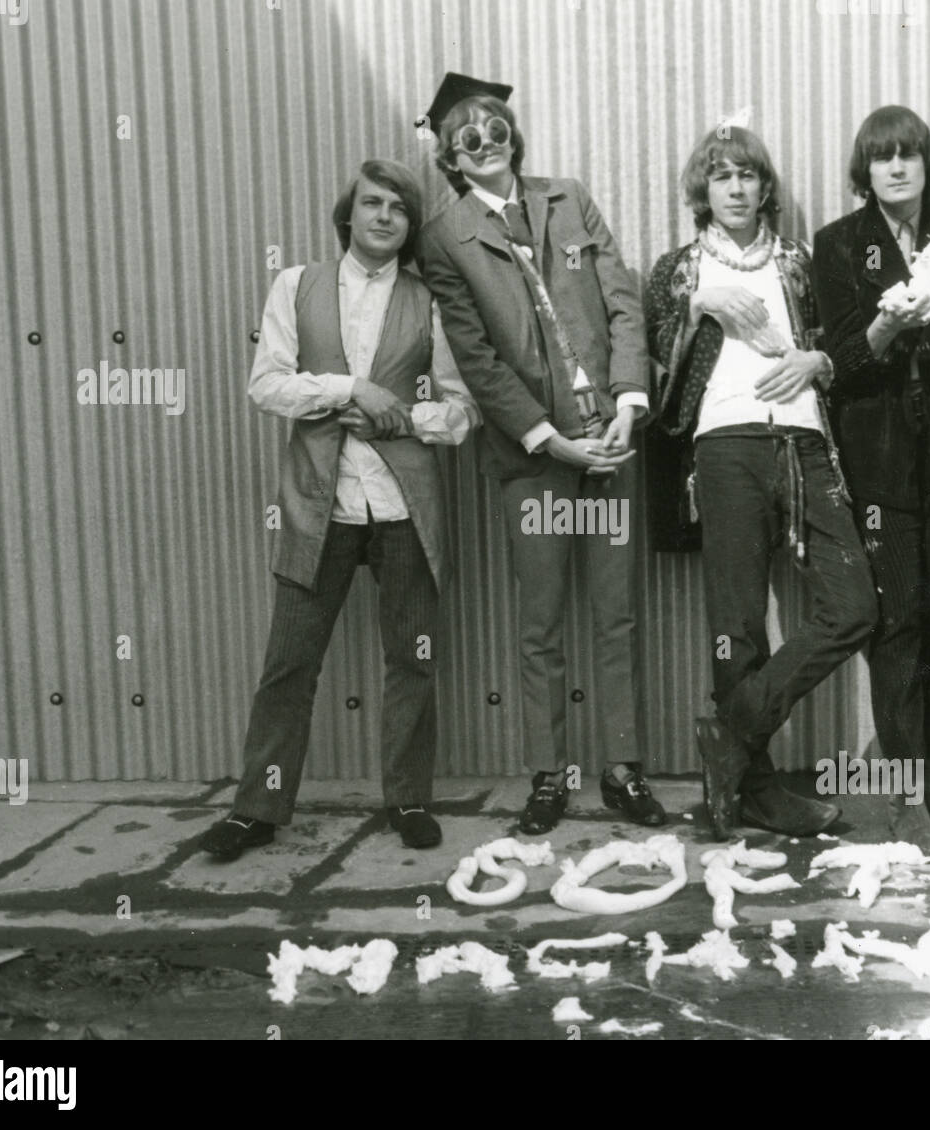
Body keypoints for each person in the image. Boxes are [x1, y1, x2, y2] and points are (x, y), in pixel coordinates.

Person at [199, 159, 478, 860]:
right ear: (348, 214)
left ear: (409, 227)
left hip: (404, 507)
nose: (384, 216)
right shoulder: (297, 285)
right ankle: (257, 809)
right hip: (318, 505)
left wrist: (400, 418)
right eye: (373, 203)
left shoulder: (428, 300)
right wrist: (350, 388)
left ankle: (408, 798)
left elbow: (461, 409)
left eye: (399, 209)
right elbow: (266, 386)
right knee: (289, 664)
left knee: (413, 658)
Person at [417, 73, 665, 834]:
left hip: (611, 444)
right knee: (541, 621)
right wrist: (549, 439)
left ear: (512, 136)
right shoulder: (445, 237)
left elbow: (622, 301)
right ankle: (549, 776)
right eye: (468, 138)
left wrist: (630, 403)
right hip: (536, 458)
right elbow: (477, 357)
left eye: (496, 129)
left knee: (617, 616)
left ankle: (622, 770)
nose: (485, 143)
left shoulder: (569, 198)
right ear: (451, 158)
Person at [645, 124, 876, 840]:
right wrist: (700, 305)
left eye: (747, 175)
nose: (736, 188)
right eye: (721, 176)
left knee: (855, 605)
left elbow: (840, 343)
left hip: (805, 443)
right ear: (703, 190)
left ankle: (732, 730)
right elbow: (657, 363)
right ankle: (758, 791)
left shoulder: (800, 261)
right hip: (725, 446)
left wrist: (818, 362)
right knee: (737, 626)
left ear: (764, 186)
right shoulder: (680, 268)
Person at [812, 105, 930, 854]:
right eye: (882, 157)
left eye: (908, 154)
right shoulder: (839, 243)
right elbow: (842, 366)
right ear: (864, 170)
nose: (896, 168)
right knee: (896, 622)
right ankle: (904, 794)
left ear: (927, 163)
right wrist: (889, 322)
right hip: (881, 455)